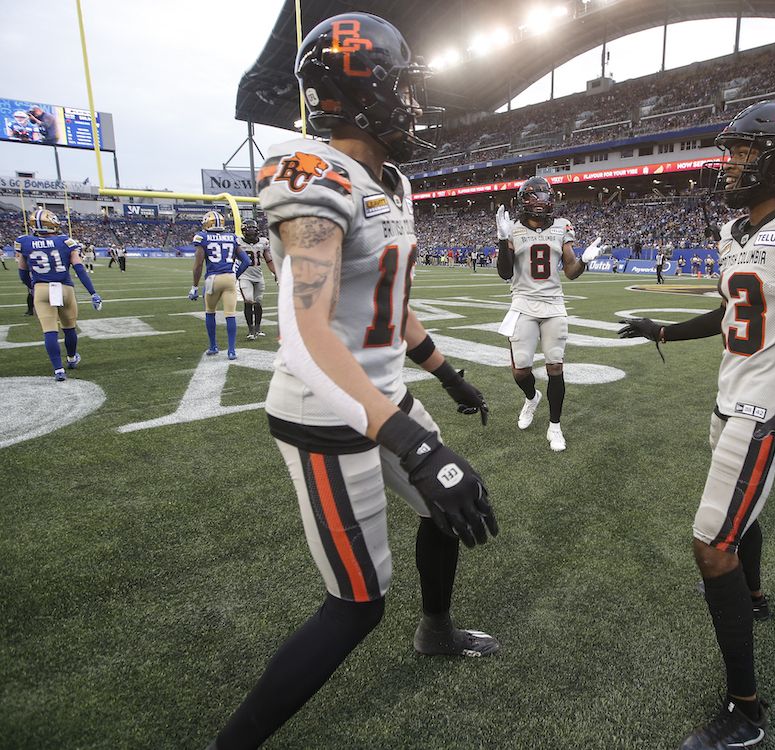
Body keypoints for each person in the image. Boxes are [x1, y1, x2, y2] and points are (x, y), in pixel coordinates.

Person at [209, 14, 498, 748]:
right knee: (357, 602)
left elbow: (388, 307)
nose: (415, 103)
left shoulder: (388, 180)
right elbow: (309, 339)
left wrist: (447, 373)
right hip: (324, 412)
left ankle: (435, 631)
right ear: (364, 92)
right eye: (403, 86)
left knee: (447, 512)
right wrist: (418, 446)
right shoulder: (313, 175)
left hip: (381, 396)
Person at [619, 100, 775, 749]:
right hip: (730, 400)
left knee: (710, 544)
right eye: (732, 152)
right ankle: (753, 596)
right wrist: (665, 328)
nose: (732, 164)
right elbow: (734, 315)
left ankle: (746, 712)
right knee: (738, 522)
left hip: (764, 412)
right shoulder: (737, 233)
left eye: (746, 153)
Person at [495, 177, 605, 452]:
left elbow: (570, 271)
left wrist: (585, 261)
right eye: (536, 196)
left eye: (546, 196)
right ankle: (532, 397)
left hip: (554, 304)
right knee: (521, 371)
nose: (542, 201)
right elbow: (505, 273)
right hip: (523, 302)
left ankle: (555, 426)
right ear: (524, 201)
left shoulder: (561, 226)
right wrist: (502, 239)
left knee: (555, 366)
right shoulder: (514, 229)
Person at [14, 209, 102, 380]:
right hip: (65, 288)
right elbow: (79, 268)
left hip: (41, 289)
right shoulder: (65, 241)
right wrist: (93, 292)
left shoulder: (23, 242)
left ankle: (58, 370)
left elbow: (23, 272)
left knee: (50, 331)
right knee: (69, 328)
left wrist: (31, 287)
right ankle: (71, 358)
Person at [189, 210, 250, 360]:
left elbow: (198, 265)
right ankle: (231, 350)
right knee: (230, 315)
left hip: (213, 279)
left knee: (210, 312)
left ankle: (213, 346)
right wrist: (235, 275)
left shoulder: (202, 237)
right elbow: (246, 261)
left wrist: (195, 287)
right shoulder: (232, 237)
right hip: (229, 278)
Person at [237, 219, 277, 340]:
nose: (252, 232)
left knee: (258, 302)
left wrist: (275, 273)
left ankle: (258, 329)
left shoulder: (263, 242)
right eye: (249, 230)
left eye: (253, 230)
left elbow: (268, 259)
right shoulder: (238, 242)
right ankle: (251, 331)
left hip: (258, 276)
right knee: (248, 301)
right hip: (244, 276)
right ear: (244, 231)